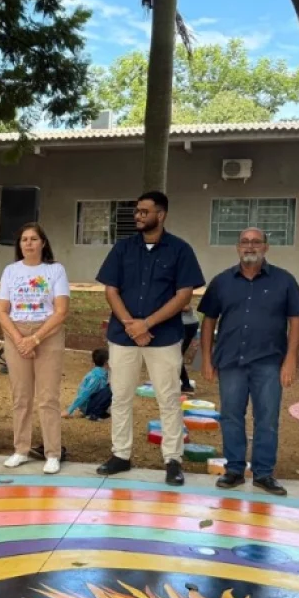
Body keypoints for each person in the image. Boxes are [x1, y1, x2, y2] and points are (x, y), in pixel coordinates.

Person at [94, 191, 205, 484]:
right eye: (137, 212)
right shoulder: (123, 248)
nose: (138, 216)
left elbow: (184, 295)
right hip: (123, 336)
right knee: (120, 397)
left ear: (161, 214)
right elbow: (110, 289)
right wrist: (131, 324)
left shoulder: (180, 250)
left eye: (144, 211)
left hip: (164, 337)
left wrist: (148, 324)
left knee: (168, 398)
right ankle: (120, 455)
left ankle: (172, 460)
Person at [199, 227, 299, 496]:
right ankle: (234, 470)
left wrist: (291, 359)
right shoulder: (222, 281)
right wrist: (206, 360)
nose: (250, 246)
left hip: (269, 362)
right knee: (231, 416)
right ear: (238, 247)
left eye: (256, 242)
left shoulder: (284, 281)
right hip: (230, 361)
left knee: (267, 419)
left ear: (265, 247)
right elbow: (209, 320)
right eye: (245, 242)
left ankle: (263, 473)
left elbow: (296, 321)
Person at [0, 222, 70, 474]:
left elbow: (61, 311)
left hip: (47, 333)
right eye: (24, 239)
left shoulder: (55, 270)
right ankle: (21, 449)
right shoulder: (10, 271)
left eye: (33, 239)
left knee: (48, 397)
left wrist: (35, 339)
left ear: (43, 243)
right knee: (21, 397)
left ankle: (52, 453)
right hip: (16, 332)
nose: (28, 243)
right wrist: (19, 339)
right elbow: (1, 310)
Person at [63, 348, 110, 420]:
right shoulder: (97, 377)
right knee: (110, 389)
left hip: (89, 404)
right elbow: (84, 394)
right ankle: (94, 414)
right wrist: (69, 410)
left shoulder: (101, 373)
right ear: (106, 362)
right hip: (88, 406)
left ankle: (99, 412)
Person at [180, 305, 200, 393]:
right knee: (176, 355)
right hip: (184, 324)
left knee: (176, 355)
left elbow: (186, 307)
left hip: (187, 324)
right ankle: (185, 384)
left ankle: (186, 385)